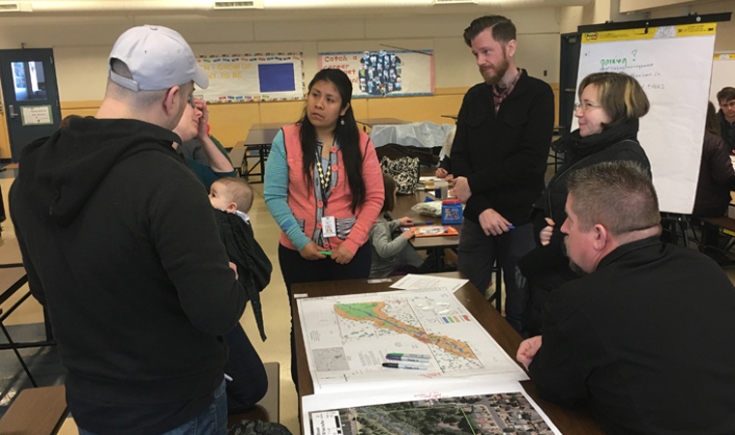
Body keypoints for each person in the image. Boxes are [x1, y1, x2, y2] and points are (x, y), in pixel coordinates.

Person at [10, 25, 245, 435]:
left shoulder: (32, 173)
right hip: (175, 405)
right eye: (188, 97)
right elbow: (217, 311)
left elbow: (44, 289)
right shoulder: (168, 182)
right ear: (173, 97)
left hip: (92, 402)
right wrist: (229, 277)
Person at [516, 161, 735, 435]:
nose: (563, 229)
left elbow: (557, 388)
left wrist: (544, 355)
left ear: (598, 235)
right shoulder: (705, 268)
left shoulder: (577, 301)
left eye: (570, 218)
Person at [264, 68, 384, 385]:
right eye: (315, 95)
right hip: (299, 253)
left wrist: (353, 243)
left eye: (330, 99)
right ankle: (309, 392)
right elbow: (274, 196)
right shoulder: (287, 138)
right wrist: (300, 240)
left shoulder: (360, 143)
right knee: (304, 324)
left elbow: (375, 198)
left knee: (351, 323)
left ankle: (350, 388)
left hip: (350, 253)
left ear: (344, 108)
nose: (319, 104)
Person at [518, 72, 651, 336]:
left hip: (579, 285)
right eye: (580, 104)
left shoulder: (622, 160)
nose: (578, 112)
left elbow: (603, 235)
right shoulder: (590, 148)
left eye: (588, 105)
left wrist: (554, 241)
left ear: (615, 111)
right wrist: (545, 227)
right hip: (558, 278)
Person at [449, 15, 555, 333]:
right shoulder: (474, 97)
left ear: (510, 47)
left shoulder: (538, 95)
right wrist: (481, 209)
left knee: (521, 309)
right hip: (477, 219)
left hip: (520, 221)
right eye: (475, 54)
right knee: (467, 305)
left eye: (487, 52)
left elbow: (531, 162)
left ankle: (518, 375)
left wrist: (475, 184)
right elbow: (459, 156)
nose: (480, 61)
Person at [208, 177, 271, 415]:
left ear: (232, 207)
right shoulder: (233, 224)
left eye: (213, 195)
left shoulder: (224, 225)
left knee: (251, 385)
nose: (207, 198)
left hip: (222, 310)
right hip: (217, 311)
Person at [173, 97, 236, 190]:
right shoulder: (159, 162)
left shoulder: (182, 162)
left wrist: (203, 136)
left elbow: (229, 183)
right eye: (190, 104)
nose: (200, 113)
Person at [369, 173, 424, 278]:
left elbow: (380, 229)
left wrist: (397, 222)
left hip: (380, 271)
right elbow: (384, 250)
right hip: (383, 275)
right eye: (394, 194)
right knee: (416, 272)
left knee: (413, 268)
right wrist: (404, 237)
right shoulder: (379, 225)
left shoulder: (375, 219)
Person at [694, 101, 735, 218]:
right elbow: (724, 178)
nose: (730, 108)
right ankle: (713, 235)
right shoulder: (713, 142)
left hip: (679, 199)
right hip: (708, 204)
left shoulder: (677, 138)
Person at [717, 86, 735, 151]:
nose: (729, 108)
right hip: (720, 158)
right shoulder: (713, 122)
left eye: (732, 104)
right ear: (720, 105)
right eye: (725, 105)